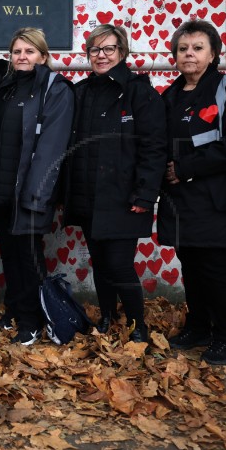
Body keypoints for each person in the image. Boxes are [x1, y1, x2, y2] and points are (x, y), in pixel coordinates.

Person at [158, 20, 226, 365]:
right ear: (175, 55)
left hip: (217, 197)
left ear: (213, 53)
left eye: (198, 47)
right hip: (180, 200)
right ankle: (199, 326)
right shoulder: (170, 95)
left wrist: (184, 168)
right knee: (191, 264)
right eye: (183, 48)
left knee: (214, 267)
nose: (189, 54)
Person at [63, 24, 167, 343]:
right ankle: (108, 316)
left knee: (119, 264)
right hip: (89, 196)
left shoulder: (139, 92)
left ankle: (138, 326)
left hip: (125, 198)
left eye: (109, 49)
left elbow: (154, 147)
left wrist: (145, 194)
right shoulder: (80, 92)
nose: (101, 55)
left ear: (122, 52)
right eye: (95, 50)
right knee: (101, 263)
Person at [0, 28, 75, 345]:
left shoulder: (55, 90)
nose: (22, 57)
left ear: (44, 56)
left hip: (31, 193)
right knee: (10, 255)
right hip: (4, 190)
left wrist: (36, 195)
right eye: (17, 52)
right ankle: (15, 311)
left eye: (29, 51)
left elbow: (51, 148)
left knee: (29, 257)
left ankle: (33, 320)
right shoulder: (7, 89)